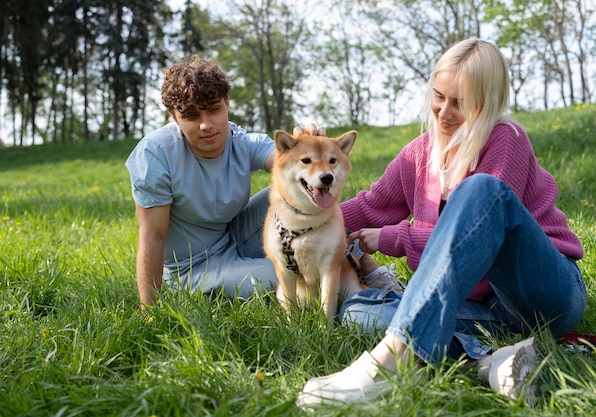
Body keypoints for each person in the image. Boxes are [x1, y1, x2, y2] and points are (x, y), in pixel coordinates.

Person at [297, 39, 587, 407]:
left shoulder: (504, 139)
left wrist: (395, 237)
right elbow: (369, 207)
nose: (444, 112)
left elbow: (481, 236)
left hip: (542, 293)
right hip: (481, 310)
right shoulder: (418, 154)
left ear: (487, 102)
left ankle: (390, 359)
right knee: (359, 313)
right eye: (439, 96)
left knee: (483, 191)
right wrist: (303, 218)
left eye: (460, 103)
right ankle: (489, 362)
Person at [125, 55, 400, 309]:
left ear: (227, 103)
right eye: (191, 116)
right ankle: (367, 303)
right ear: (174, 117)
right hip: (194, 266)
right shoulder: (155, 155)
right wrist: (149, 310)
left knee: (304, 195)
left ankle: (375, 275)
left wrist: (306, 147)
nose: (206, 124)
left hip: (235, 235)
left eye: (213, 110)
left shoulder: (240, 140)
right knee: (292, 277)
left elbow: (285, 161)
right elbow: (152, 236)